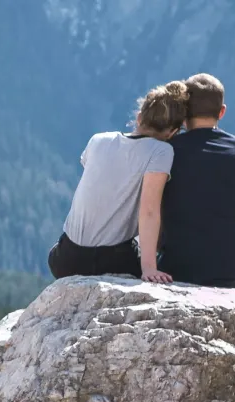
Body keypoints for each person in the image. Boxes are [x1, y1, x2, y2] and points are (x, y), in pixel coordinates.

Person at [48, 81, 189, 282]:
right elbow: (149, 211)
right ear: (173, 133)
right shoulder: (161, 151)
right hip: (112, 259)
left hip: (65, 258)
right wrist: (149, 268)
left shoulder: (98, 140)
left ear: (139, 117)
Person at [157, 73, 235, 289]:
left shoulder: (165, 153)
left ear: (184, 112)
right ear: (222, 112)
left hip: (178, 270)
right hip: (233, 273)